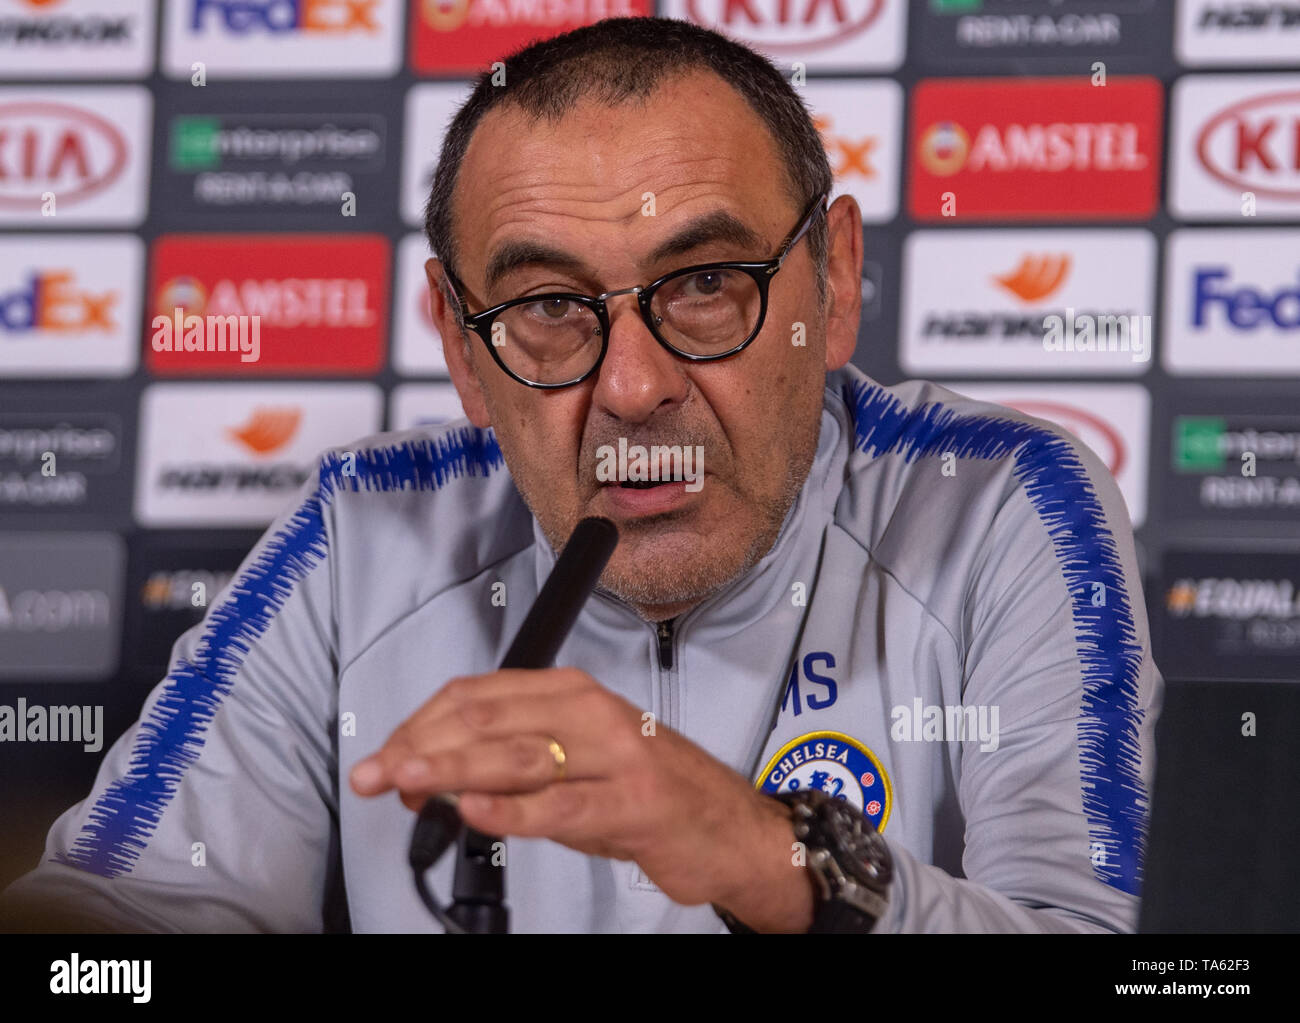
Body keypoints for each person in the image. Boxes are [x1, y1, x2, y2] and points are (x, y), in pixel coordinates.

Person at [0, 16, 1161, 934]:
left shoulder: (998, 503)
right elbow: (112, 934)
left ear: (835, 279)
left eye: (706, 283)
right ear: (461, 347)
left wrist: (780, 863)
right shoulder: (363, 536)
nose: (633, 385)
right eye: (551, 308)